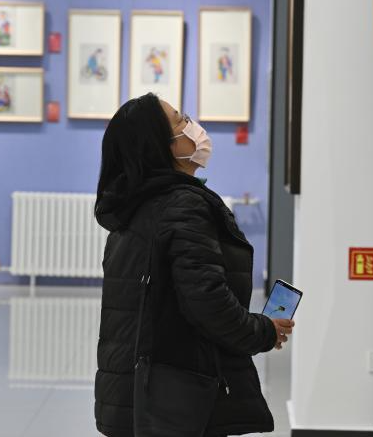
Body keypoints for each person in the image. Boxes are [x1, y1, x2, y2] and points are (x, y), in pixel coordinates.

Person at [94, 93, 294, 436]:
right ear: (162, 146)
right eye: (180, 120)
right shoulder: (183, 206)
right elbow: (208, 302)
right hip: (179, 400)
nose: (192, 125)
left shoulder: (135, 206)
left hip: (135, 393)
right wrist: (263, 331)